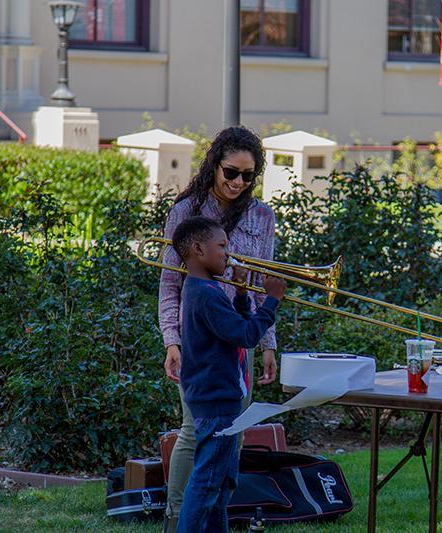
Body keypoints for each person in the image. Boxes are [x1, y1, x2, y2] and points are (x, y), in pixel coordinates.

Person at [158, 125, 278, 531]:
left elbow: (259, 285)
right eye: (231, 172)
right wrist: (171, 340)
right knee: (195, 431)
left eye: (248, 175)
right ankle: (179, 520)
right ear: (214, 165)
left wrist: (267, 345)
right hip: (199, 339)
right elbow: (169, 282)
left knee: (234, 433)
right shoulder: (187, 211)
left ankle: (212, 521)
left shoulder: (262, 216)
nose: (238, 182)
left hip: (240, 342)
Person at [169, 216, 285, 533]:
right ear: (197, 249)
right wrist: (271, 300)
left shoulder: (206, 290)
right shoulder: (205, 294)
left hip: (220, 399)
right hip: (218, 402)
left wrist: (244, 296)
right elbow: (247, 336)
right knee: (207, 484)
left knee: (221, 483)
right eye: (221, 246)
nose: (227, 253)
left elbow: (235, 331)